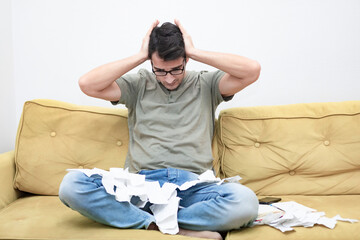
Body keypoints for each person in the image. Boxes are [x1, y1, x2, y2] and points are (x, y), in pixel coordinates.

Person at [59, 19, 261, 240]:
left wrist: (194, 50)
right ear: (151, 64)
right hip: (141, 186)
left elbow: (252, 70)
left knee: (246, 203)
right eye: (161, 71)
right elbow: (87, 84)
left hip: (192, 187)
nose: (170, 78)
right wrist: (139, 55)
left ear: (186, 59)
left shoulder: (206, 84)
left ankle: (149, 219)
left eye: (177, 69)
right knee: (71, 185)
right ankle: (157, 224)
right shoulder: (138, 85)